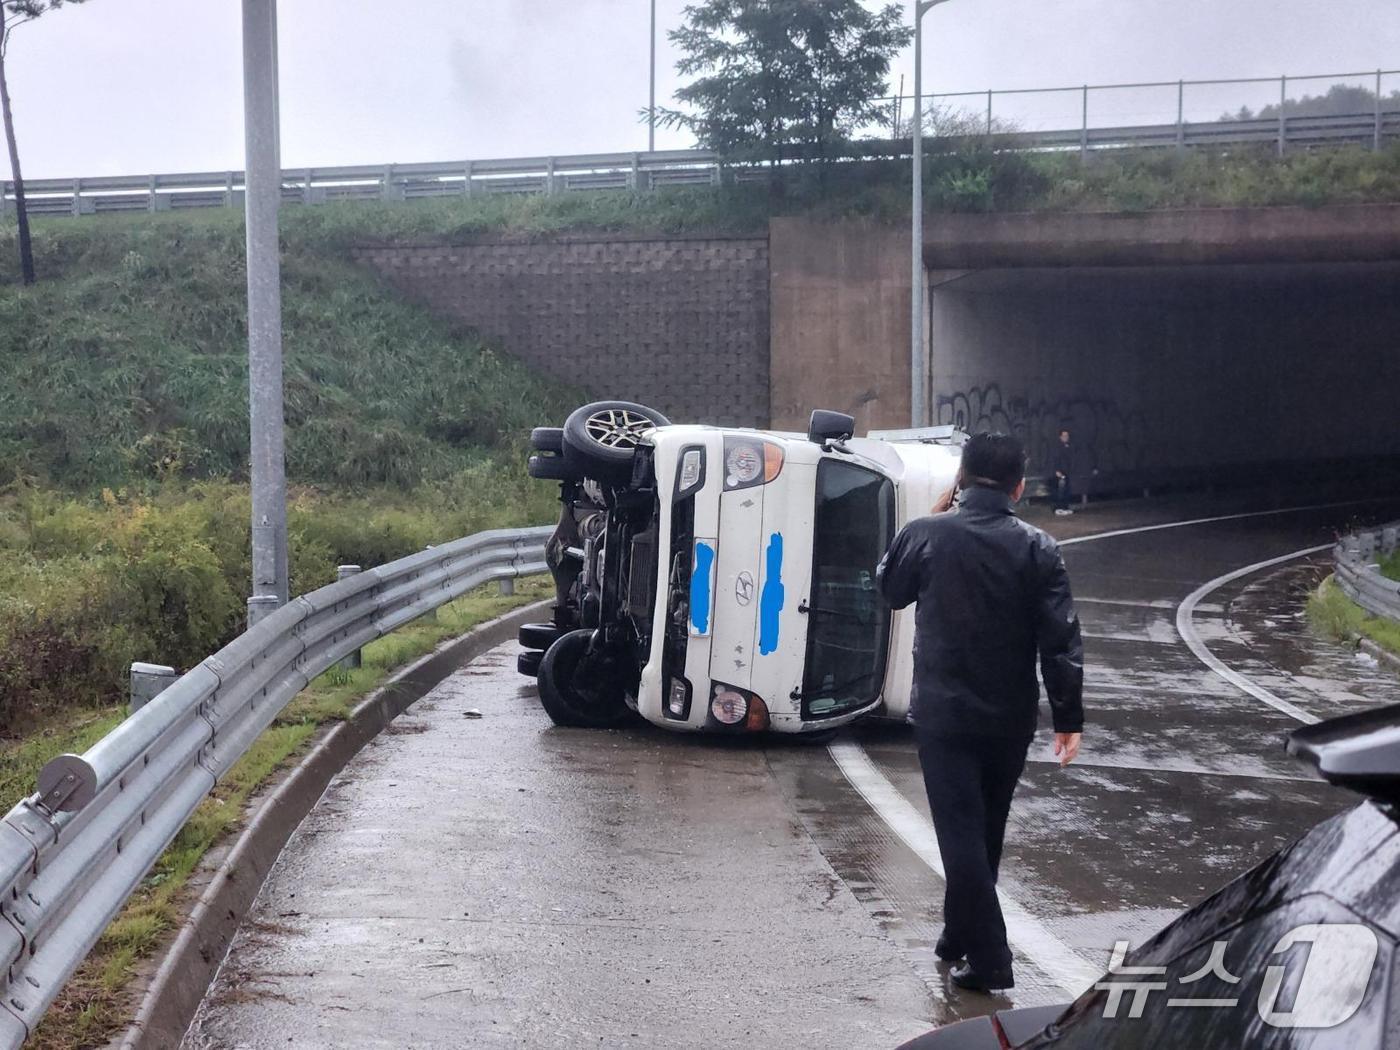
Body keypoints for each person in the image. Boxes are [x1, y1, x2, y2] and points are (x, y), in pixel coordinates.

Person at [876, 432, 1084, 993]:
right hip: (1009, 716)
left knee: (961, 835)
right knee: (985, 830)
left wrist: (936, 514)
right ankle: (957, 933)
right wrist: (1069, 719)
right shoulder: (1040, 547)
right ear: (1020, 485)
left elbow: (889, 590)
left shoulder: (927, 533)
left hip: (945, 716)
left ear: (960, 478)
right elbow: (1060, 639)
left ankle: (991, 959)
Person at [1050, 427, 1074, 516]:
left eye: (1067, 436)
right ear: (1060, 437)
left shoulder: (1068, 446)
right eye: (1064, 436)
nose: (1066, 437)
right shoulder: (1056, 447)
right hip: (1059, 472)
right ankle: (1058, 508)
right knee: (1059, 490)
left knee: (1066, 490)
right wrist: (1056, 470)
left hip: (1066, 471)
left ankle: (1065, 507)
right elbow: (1054, 459)